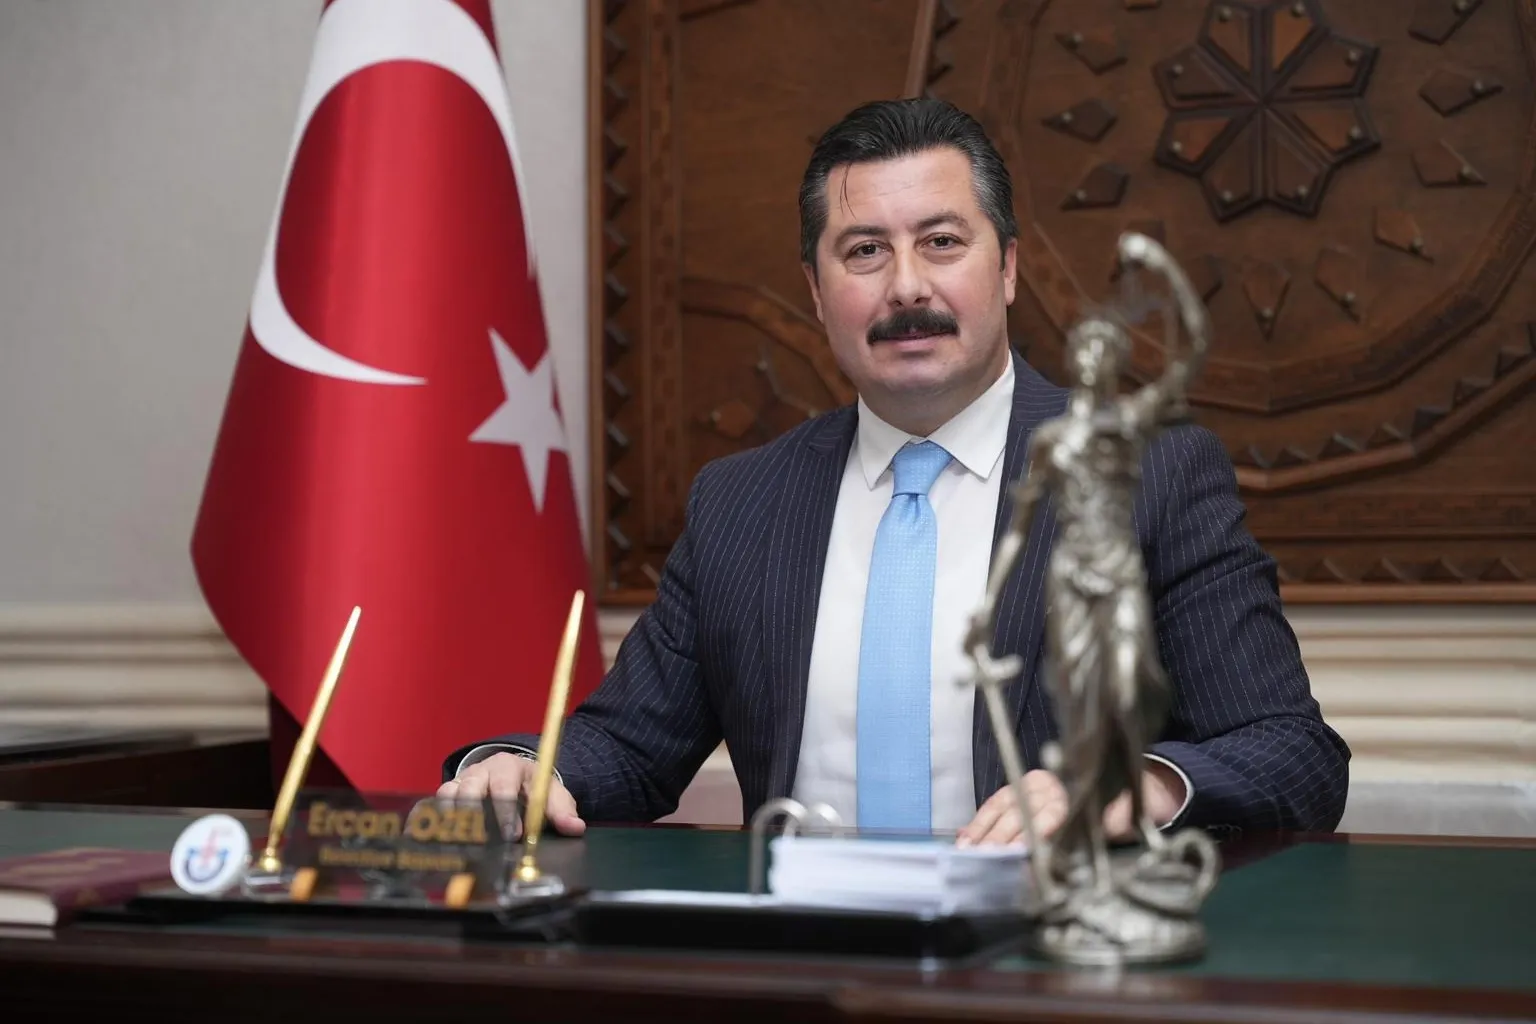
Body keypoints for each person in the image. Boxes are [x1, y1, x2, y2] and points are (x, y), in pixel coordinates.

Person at [437, 97, 1350, 846]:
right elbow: (630, 748)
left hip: (1045, 963)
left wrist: (1132, 786)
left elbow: (1293, 755)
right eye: (865, 250)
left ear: (1008, 269)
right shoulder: (741, 502)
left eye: (942, 242)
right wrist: (522, 768)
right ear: (816, 291)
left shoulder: (1149, 474)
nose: (907, 286)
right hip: (799, 966)